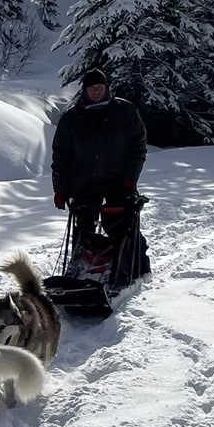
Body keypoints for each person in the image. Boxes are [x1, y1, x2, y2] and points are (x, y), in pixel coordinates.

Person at [51, 67, 147, 274]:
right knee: (84, 232)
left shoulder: (125, 111)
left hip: (118, 183)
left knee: (120, 228)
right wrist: (60, 189)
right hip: (84, 183)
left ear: (107, 88)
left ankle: (126, 268)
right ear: (85, 90)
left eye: (100, 87)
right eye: (92, 88)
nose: (97, 91)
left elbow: (138, 147)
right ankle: (79, 272)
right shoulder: (71, 118)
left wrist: (131, 177)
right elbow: (60, 156)